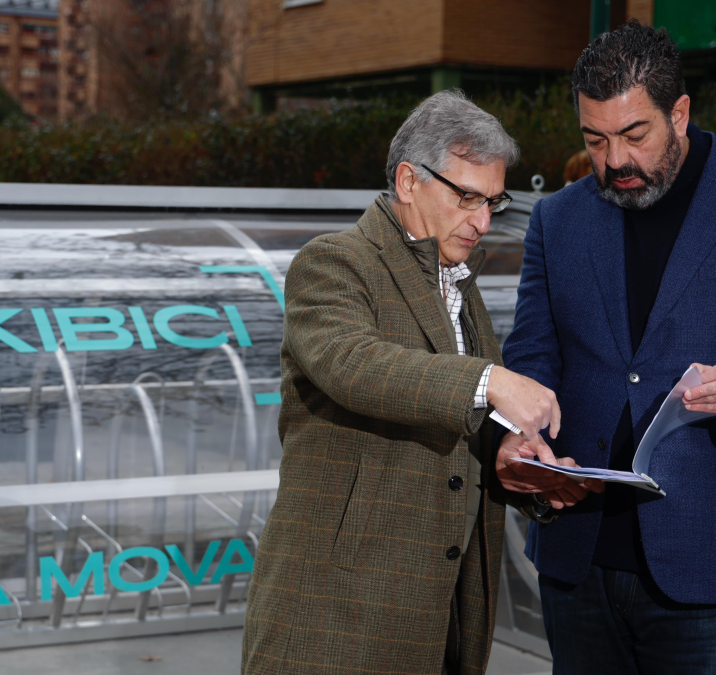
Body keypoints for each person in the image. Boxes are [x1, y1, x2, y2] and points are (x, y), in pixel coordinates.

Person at [496, 20, 716, 674]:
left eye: (635, 135)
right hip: (579, 560)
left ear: (680, 113)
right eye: (594, 139)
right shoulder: (558, 218)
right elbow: (532, 358)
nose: (614, 161)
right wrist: (516, 434)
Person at [241, 90, 598, 675]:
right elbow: (352, 363)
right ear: (408, 181)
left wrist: (513, 457)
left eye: (494, 202)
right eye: (466, 197)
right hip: (335, 622)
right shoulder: (333, 262)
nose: (483, 221)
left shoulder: (458, 283)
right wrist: (490, 380)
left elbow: (453, 423)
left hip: (442, 623)